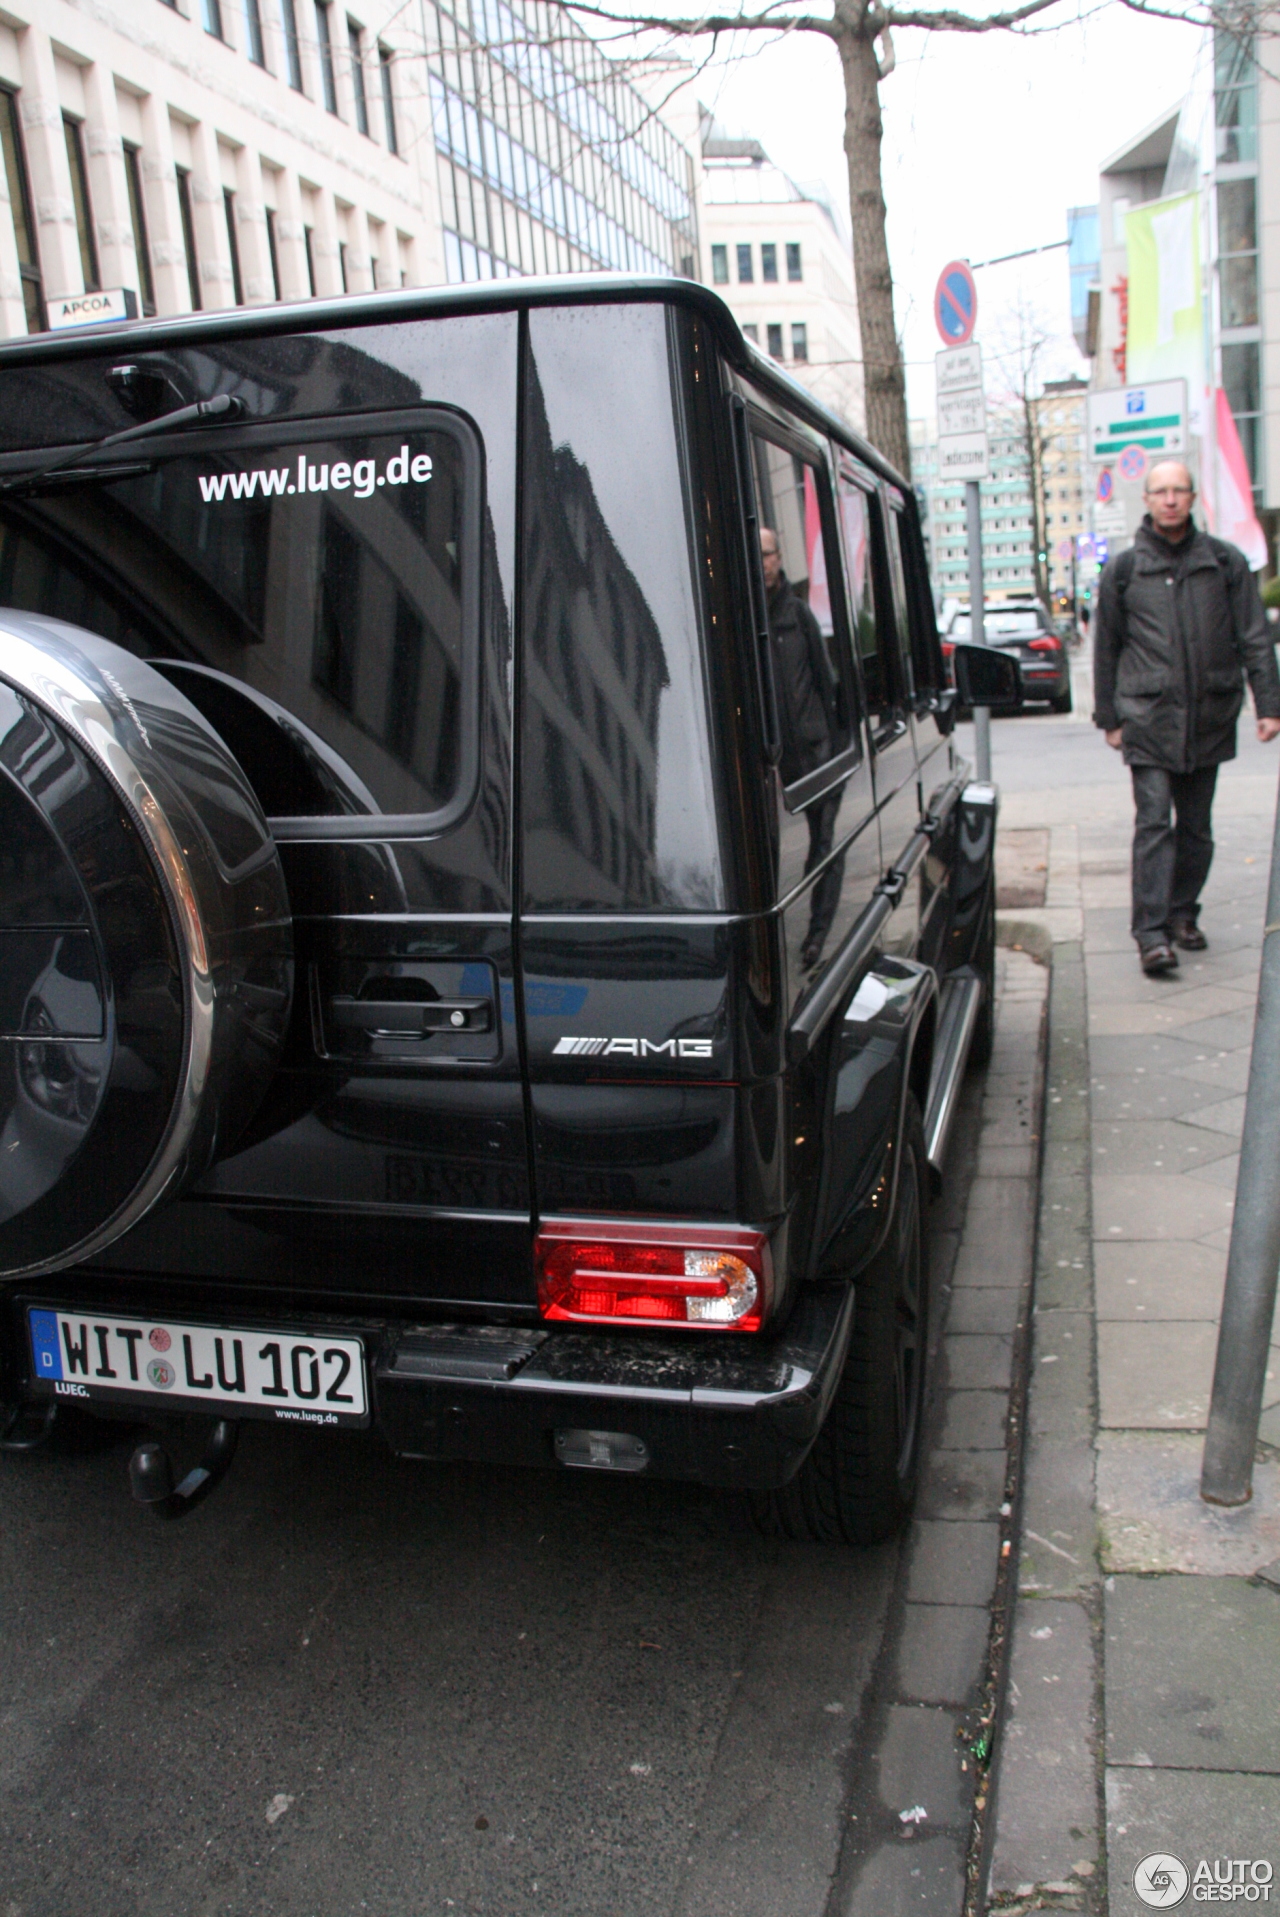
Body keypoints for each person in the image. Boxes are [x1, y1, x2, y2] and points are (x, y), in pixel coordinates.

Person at [1093, 460, 1280, 976]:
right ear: (1148, 500)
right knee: (1154, 823)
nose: (1170, 499)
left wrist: (1269, 706)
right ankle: (1150, 934)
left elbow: (1254, 637)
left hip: (1210, 716)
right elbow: (1106, 648)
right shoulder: (1125, 569)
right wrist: (1108, 716)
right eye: (1161, 491)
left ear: (1193, 498)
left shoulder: (1225, 562)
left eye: (1179, 490)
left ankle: (1181, 914)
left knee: (1196, 828)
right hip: (1147, 718)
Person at [760, 526, 844, 970]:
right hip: (777, 757)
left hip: (816, 748)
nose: (764, 563)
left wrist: (836, 743)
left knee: (825, 843)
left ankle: (816, 935)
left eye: (769, 554)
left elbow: (825, 680)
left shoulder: (798, 614)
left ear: (779, 557)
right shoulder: (747, 623)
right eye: (756, 556)